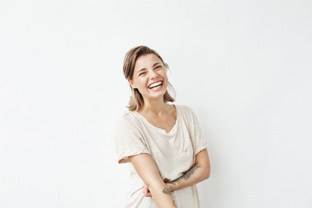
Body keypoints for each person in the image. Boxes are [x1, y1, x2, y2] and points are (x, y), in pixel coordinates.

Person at [114, 45, 211, 208]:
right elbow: (154, 185)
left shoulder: (186, 115)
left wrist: (171, 185)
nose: (153, 75)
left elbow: (204, 168)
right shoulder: (129, 124)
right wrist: (163, 187)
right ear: (132, 82)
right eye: (142, 73)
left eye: (157, 67)